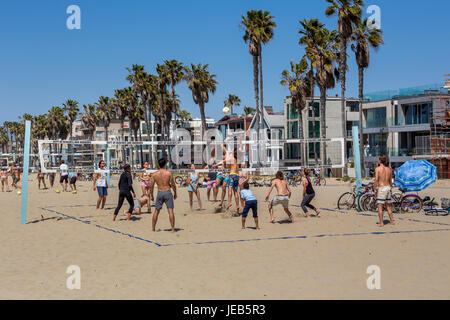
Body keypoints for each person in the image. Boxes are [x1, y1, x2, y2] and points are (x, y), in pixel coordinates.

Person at [150, 158, 177, 233]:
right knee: (170, 211)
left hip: (160, 192)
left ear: (159, 165)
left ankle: (153, 229)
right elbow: (173, 184)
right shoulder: (169, 173)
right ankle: (172, 229)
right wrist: (175, 193)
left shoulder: (154, 174)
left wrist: (151, 195)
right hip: (167, 192)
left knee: (156, 211)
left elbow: (151, 186)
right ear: (165, 164)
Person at [374, 155, 395, 227]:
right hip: (388, 187)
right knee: (388, 206)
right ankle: (392, 221)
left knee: (380, 206)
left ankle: (381, 223)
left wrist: (374, 188)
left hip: (382, 188)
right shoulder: (389, 169)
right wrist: (391, 187)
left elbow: (376, 179)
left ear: (380, 160)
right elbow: (390, 180)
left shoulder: (378, 169)